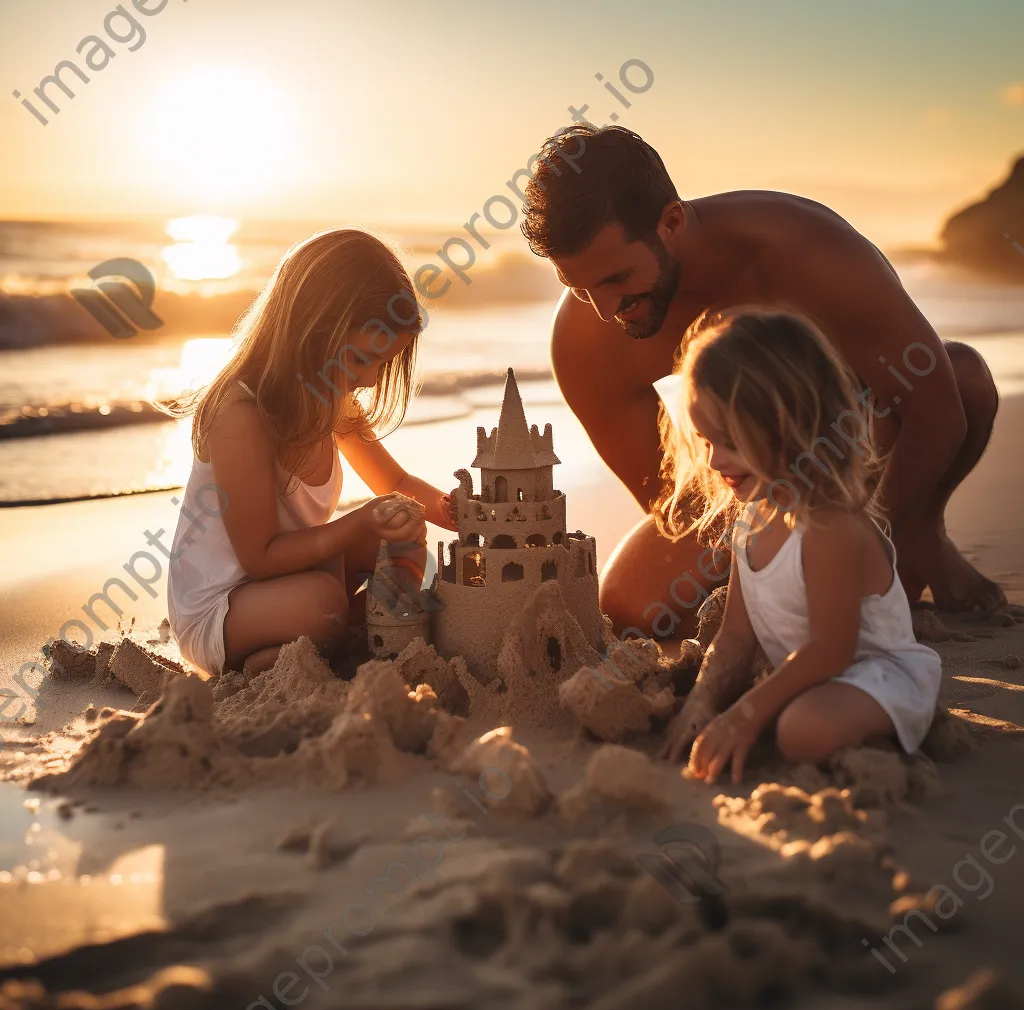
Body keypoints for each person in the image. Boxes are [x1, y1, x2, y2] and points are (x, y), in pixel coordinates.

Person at [521, 124, 1004, 641]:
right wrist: (767, 561)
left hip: (852, 451)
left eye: (617, 278)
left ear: (671, 222)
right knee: (632, 606)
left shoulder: (805, 250)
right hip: (739, 481)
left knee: (963, 376)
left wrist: (863, 542)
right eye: (578, 286)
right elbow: (673, 505)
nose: (604, 309)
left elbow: (936, 408)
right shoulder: (583, 343)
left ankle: (920, 533)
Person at [657, 308, 942, 781]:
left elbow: (832, 649)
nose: (712, 460)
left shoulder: (829, 527)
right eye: (705, 441)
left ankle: (907, 721)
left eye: (727, 440)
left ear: (791, 423)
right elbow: (736, 637)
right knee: (774, 715)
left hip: (875, 676)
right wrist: (703, 701)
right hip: (813, 678)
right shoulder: (750, 523)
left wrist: (746, 714)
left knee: (800, 731)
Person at [165, 228, 457, 677]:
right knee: (323, 603)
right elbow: (259, 556)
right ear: (309, 331)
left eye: (382, 364)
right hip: (222, 605)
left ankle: (363, 640)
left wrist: (461, 512)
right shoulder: (242, 415)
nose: (371, 380)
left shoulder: (332, 398)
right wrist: (357, 522)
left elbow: (395, 484)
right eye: (361, 359)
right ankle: (301, 646)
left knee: (404, 526)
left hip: (292, 577)